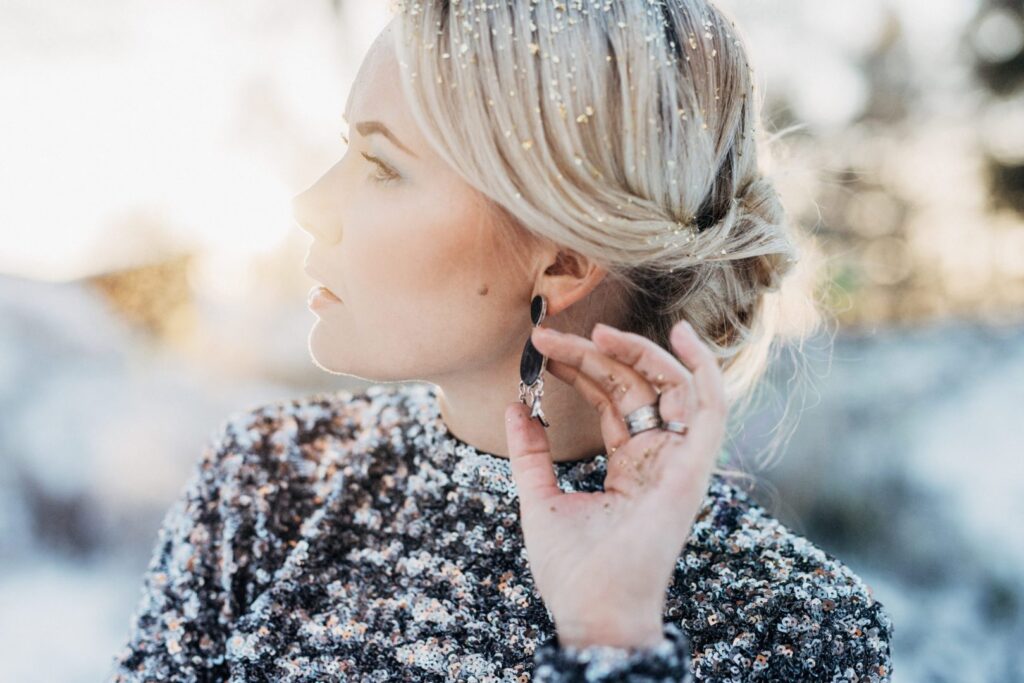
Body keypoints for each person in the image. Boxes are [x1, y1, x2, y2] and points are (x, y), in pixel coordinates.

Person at [110, 1, 894, 681]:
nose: (311, 203)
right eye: (346, 148)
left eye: (381, 166)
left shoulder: (801, 632)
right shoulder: (268, 485)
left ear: (562, 260)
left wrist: (611, 640)